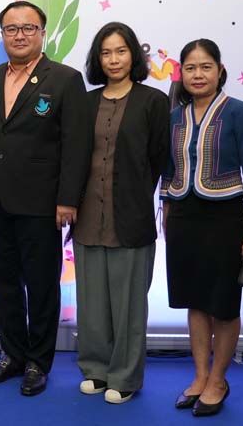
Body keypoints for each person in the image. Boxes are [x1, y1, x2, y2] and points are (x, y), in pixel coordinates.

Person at [0, 1, 88, 396]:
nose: (19, 35)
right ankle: (12, 355)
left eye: (28, 28)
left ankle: (38, 362)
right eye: (11, 28)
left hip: (43, 204)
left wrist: (67, 199)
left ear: (42, 33)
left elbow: (76, 145)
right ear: (2, 34)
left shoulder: (65, 80)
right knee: (4, 283)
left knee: (41, 287)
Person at [161, 38, 243, 417]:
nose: (198, 74)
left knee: (223, 304)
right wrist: (166, 214)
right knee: (194, 300)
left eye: (206, 66)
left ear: (220, 70)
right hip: (182, 218)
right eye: (191, 68)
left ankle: (218, 380)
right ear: (182, 73)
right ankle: (200, 376)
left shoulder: (241, 113)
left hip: (225, 219)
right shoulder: (174, 117)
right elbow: (167, 172)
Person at [72, 22, 170, 404]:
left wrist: (137, 193)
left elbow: (159, 158)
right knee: (92, 303)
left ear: (134, 55)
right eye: (106, 52)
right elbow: (74, 157)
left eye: (121, 51)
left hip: (130, 216)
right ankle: (96, 370)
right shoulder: (86, 102)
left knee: (129, 305)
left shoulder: (153, 101)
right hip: (87, 217)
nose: (113, 59)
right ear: (98, 59)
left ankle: (125, 376)